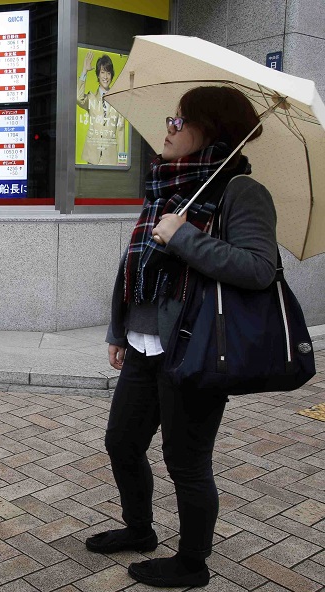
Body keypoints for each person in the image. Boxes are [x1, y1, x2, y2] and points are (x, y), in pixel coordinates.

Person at [87, 86, 275, 587]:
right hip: (144, 346)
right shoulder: (167, 189)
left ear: (209, 129)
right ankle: (139, 529)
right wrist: (119, 329)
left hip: (193, 350)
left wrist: (185, 236)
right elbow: (134, 268)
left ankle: (192, 563)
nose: (167, 128)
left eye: (179, 120)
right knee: (122, 443)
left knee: (186, 462)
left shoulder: (240, 192)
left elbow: (260, 269)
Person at [77, 51, 126, 166]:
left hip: (110, 158)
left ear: (112, 75)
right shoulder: (91, 98)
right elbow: (78, 98)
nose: (105, 76)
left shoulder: (118, 101)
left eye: (108, 73)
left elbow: (121, 131)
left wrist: (122, 163)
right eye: (102, 72)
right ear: (98, 75)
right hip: (92, 156)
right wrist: (84, 71)